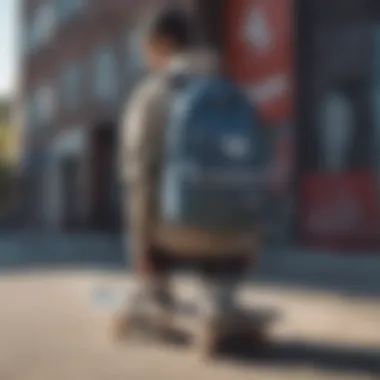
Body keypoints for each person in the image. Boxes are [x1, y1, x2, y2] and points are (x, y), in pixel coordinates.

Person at [117, 7, 260, 356]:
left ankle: (156, 295)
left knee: (143, 196)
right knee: (218, 226)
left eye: (145, 47)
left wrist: (142, 255)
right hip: (236, 240)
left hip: (173, 236)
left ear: (162, 45)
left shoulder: (151, 95)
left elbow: (138, 179)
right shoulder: (231, 91)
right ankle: (221, 300)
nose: (143, 55)